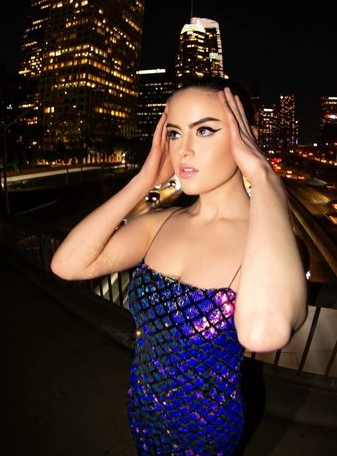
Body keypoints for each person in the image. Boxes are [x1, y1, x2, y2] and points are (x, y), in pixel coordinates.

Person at [51, 78, 308, 455]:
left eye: (204, 130)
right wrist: (143, 180)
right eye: (174, 133)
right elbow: (68, 264)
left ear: (247, 138)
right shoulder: (161, 223)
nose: (183, 149)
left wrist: (264, 176)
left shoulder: (273, 246)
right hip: (142, 411)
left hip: (204, 431)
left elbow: (262, 334)